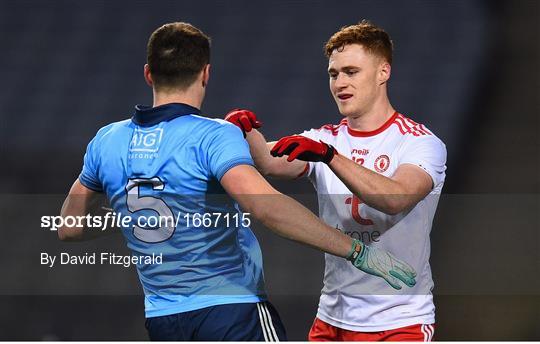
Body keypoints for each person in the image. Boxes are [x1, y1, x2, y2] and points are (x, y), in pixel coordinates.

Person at [57, 22, 417, 341]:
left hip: (164, 321)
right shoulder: (213, 135)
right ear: (206, 73)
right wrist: (357, 251)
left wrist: (135, 216)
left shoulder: (107, 140)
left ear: (149, 74)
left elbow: (69, 228)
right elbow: (264, 205)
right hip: (231, 313)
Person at [225, 20, 446, 341]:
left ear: (383, 73)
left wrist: (331, 157)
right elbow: (268, 161)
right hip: (332, 318)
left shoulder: (419, 142)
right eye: (334, 73)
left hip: (400, 321)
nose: (340, 82)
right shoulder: (324, 138)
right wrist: (244, 132)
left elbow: (396, 197)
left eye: (351, 72)